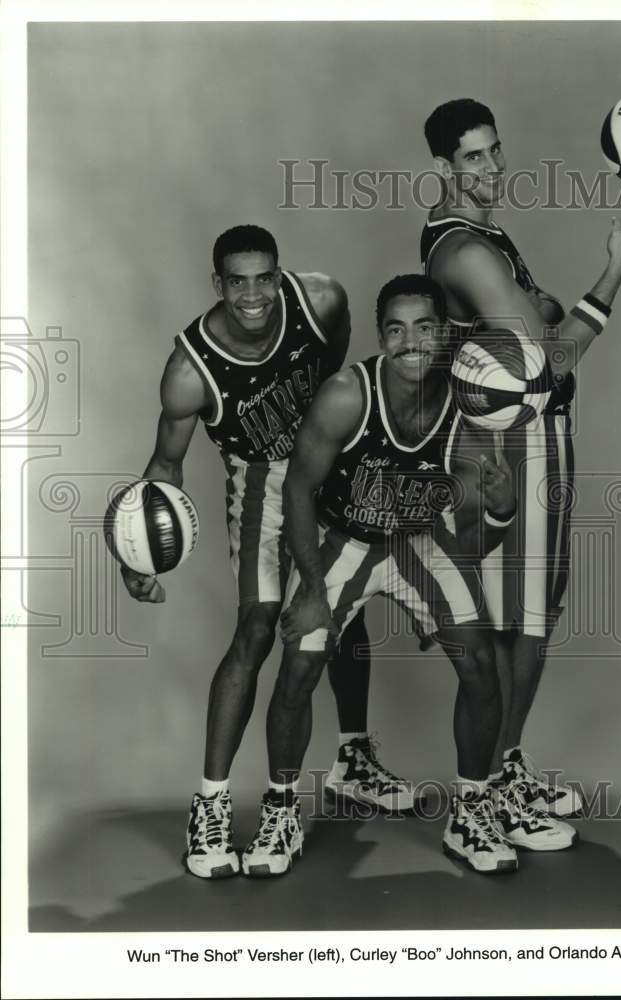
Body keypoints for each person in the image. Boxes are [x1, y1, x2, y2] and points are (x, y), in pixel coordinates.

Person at [121, 225, 414, 879]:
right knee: (257, 628)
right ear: (217, 283)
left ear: (279, 274)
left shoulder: (320, 301)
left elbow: (336, 370)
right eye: (237, 280)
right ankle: (211, 806)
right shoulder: (190, 371)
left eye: (264, 278)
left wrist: (333, 439)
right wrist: (136, 558)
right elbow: (164, 467)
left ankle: (352, 759)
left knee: (343, 610)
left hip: (330, 465)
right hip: (262, 486)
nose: (253, 294)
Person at [420, 99, 621, 842]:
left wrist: (545, 313)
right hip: (507, 450)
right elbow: (547, 363)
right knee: (511, 623)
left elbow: (535, 325)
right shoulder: (463, 252)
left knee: (534, 617)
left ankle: (504, 766)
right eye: (472, 159)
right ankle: (479, 796)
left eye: (493, 151)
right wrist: (615, 268)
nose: (490, 168)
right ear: (442, 169)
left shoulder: (484, 232)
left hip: (538, 440)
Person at [254, 274, 525, 876]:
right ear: (382, 336)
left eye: (424, 327)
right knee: (300, 657)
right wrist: (313, 591)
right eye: (396, 330)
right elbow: (298, 487)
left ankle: (471, 812)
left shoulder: (469, 403)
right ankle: (279, 810)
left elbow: (485, 541)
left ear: (444, 333)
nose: (409, 343)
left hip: (420, 541)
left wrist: (503, 506)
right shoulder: (348, 394)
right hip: (345, 540)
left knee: (481, 661)